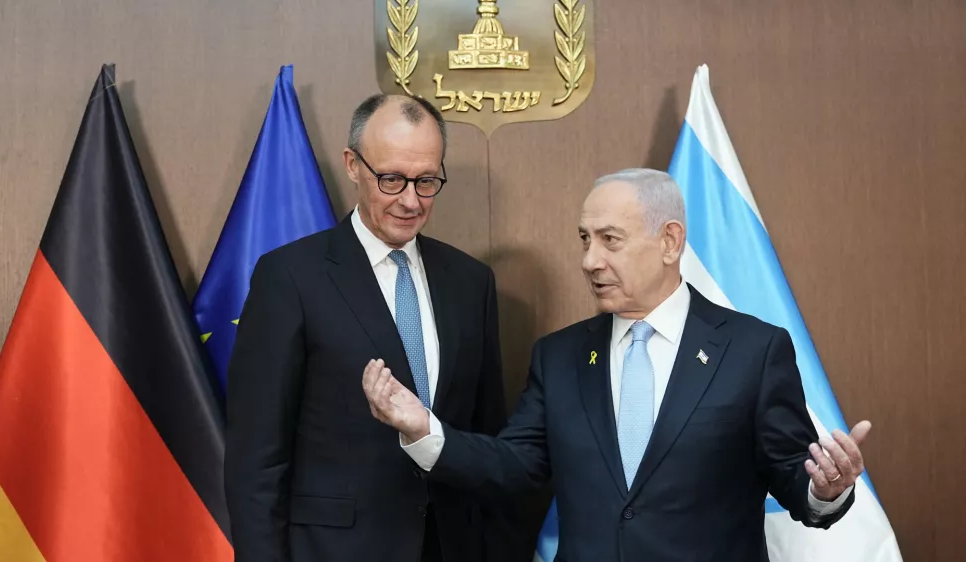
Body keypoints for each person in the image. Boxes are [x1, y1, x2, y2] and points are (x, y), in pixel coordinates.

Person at [362, 168, 872, 562]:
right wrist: (424, 430)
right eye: (585, 239)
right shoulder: (558, 357)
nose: (589, 260)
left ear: (669, 241)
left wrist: (824, 489)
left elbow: (795, 479)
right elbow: (515, 467)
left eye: (610, 240)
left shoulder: (753, 351)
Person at [225, 94, 521, 562]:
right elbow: (257, 457)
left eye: (426, 181)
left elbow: (487, 436)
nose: (410, 200)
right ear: (353, 165)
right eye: (391, 179)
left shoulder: (470, 281)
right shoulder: (290, 276)